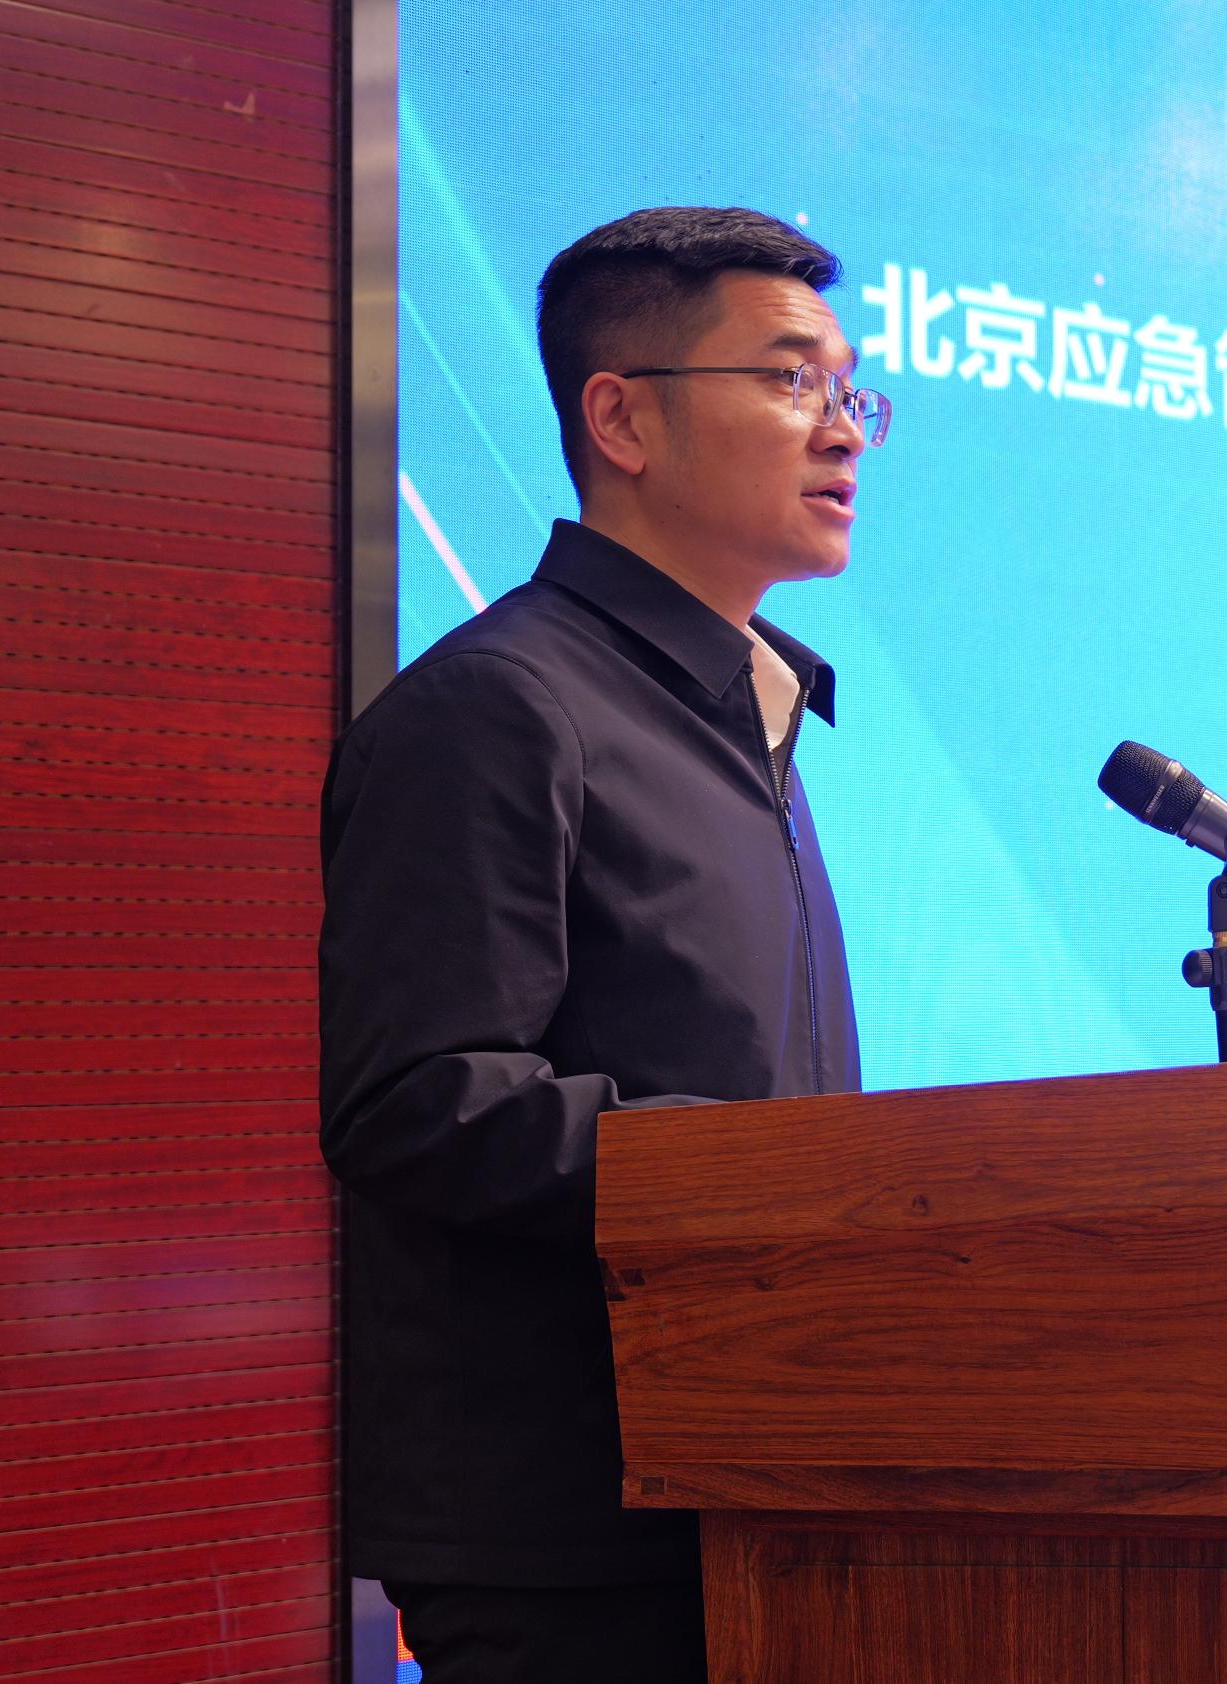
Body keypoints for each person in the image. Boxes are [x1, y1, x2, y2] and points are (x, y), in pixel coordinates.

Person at [319, 206, 890, 1681]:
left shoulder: (751, 715)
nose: (844, 429)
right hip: (573, 1541)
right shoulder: (502, 707)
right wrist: (759, 1178)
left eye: (851, 390)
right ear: (622, 419)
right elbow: (418, 1101)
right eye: (792, 379)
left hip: (763, 1485)